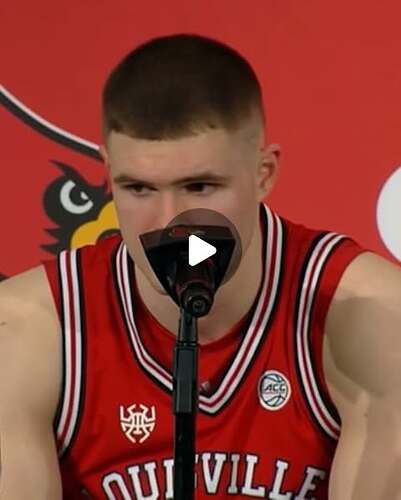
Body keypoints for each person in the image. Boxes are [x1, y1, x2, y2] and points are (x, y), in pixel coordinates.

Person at [0, 33, 400, 500]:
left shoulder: (370, 315)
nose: (169, 223)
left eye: (199, 187)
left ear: (263, 174)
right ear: (109, 175)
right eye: (139, 189)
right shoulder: (29, 328)